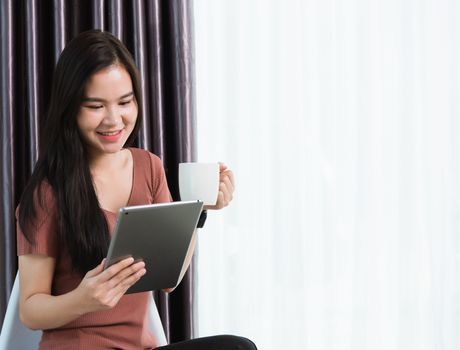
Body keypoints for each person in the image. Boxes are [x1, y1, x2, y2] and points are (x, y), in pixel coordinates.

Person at [16, 30, 256, 350]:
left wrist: (198, 212)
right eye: (95, 106)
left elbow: (170, 278)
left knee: (237, 347)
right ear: (70, 108)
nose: (114, 119)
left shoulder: (149, 168)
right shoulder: (47, 192)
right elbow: (30, 311)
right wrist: (83, 299)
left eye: (125, 102)